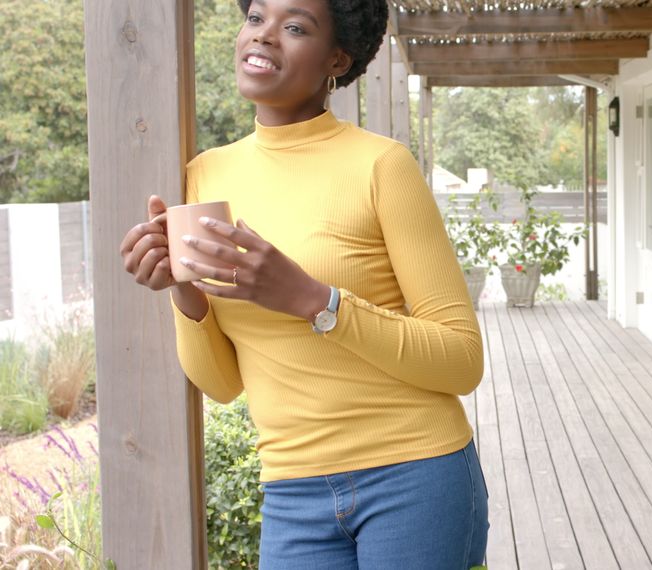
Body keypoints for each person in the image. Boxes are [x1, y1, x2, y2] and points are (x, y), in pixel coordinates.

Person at [118, 0, 489, 567]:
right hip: (291, 490)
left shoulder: (382, 167)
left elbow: (462, 360)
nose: (264, 36)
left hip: (415, 475)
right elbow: (220, 384)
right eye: (255, 18)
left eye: (294, 27)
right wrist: (182, 291)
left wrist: (313, 301)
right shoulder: (203, 175)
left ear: (336, 58)